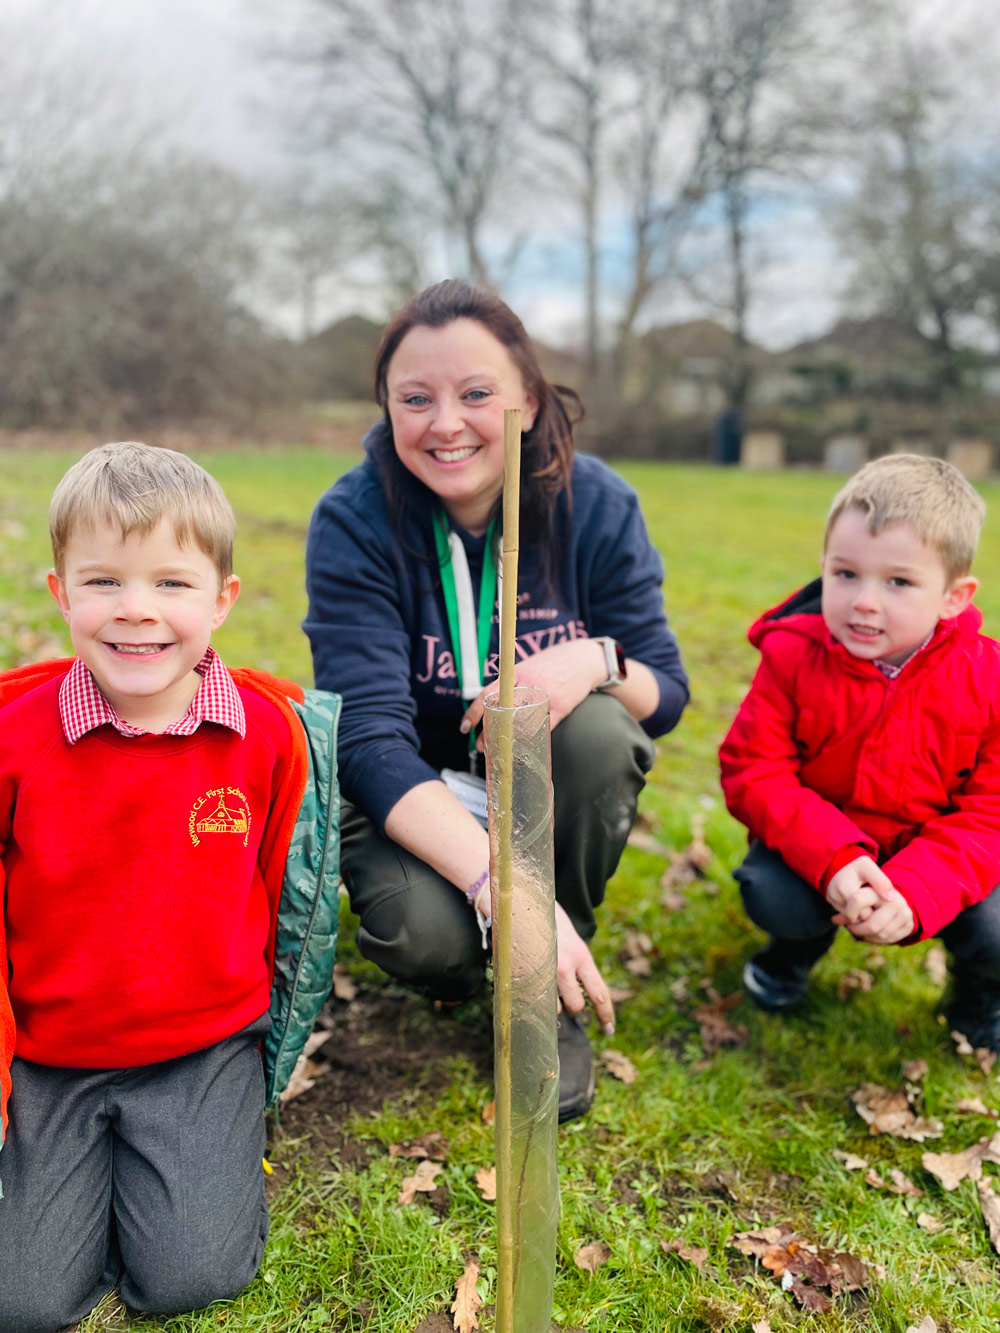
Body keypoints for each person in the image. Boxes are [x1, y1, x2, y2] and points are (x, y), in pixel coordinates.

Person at [304, 278, 688, 1122]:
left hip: (542, 777)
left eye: (476, 393)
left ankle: (547, 992)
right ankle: (502, 943)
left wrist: (592, 659)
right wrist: (497, 888)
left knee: (596, 729)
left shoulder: (599, 505)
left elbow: (665, 696)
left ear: (528, 396)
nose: (446, 423)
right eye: (416, 398)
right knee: (422, 940)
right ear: (387, 408)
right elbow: (366, 738)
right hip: (414, 787)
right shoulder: (354, 518)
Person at [0, 442, 340, 1333]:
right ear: (60, 593)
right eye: (104, 581)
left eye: (172, 585)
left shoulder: (269, 736)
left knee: (192, 1274)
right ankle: (76, 1197)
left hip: (200, 1048)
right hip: (50, 1056)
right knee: (24, 1301)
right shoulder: (15, 738)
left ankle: (180, 1174)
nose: (137, 612)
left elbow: (283, 890)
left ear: (222, 599)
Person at [720, 453, 1000, 1050]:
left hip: (940, 855)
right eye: (845, 574)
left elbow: (990, 815)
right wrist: (835, 860)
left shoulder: (990, 681)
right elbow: (754, 769)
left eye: (898, 582)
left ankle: (980, 994)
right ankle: (792, 953)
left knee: (996, 925)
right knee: (774, 893)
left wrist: (919, 887)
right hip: (824, 843)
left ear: (954, 596)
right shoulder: (793, 655)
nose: (864, 602)